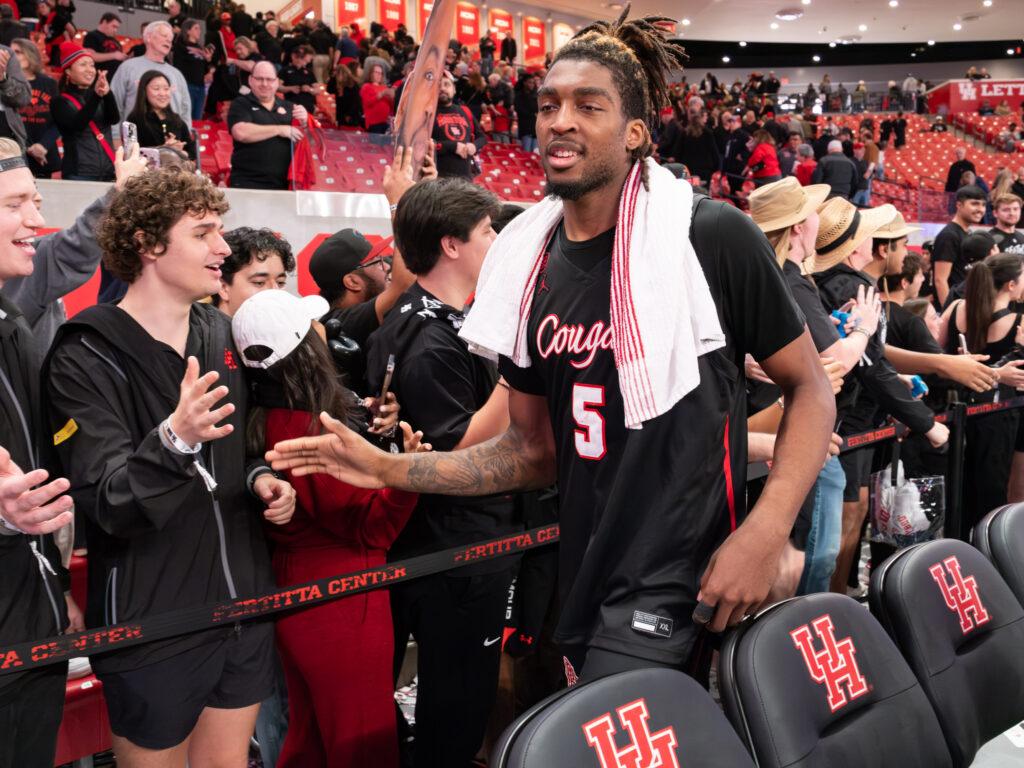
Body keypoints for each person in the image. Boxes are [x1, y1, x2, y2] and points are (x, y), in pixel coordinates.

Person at [268, 10, 835, 686]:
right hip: (587, 573)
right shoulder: (527, 263)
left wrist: (768, 532)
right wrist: (390, 470)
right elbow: (530, 451)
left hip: (695, 576)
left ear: (635, 134)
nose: (560, 120)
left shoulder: (709, 236)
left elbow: (811, 388)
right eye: (548, 105)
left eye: (587, 106)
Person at [46, 168, 296, 766]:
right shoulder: (85, 350)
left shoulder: (221, 331)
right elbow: (109, 501)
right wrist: (175, 439)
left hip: (242, 605)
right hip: (151, 624)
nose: (223, 248)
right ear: (147, 243)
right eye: (204, 232)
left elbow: (239, 449)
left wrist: (260, 475)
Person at [358, 177, 520, 768]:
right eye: (487, 230)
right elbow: (455, 459)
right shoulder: (430, 338)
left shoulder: (441, 320)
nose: (498, 240)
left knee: (457, 706)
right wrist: (517, 380)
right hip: (456, 550)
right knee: (454, 714)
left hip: (457, 546)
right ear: (451, 245)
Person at [234, 289, 421, 768]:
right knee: (361, 740)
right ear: (306, 351)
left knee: (313, 735)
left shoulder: (264, 419)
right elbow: (372, 528)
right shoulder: (309, 433)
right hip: (342, 594)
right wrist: (409, 476)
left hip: (298, 590)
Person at [810, 198, 949, 594]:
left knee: (849, 521)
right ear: (879, 248)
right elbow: (869, 366)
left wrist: (901, 379)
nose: (907, 257)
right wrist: (927, 423)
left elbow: (874, 362)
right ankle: (830, 605)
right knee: (841, 524)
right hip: (843, 420)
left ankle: (836, 599)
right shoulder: (848, 286)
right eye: (903, 247)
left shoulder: (854, 284)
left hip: (855, 415)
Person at [749, 177, 876, 595]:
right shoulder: (788, 278)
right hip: (783, 426)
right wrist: (863, 330)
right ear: (800, 225)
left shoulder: (758, 274)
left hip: (761, 427)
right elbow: (832, 363)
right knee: (798, 558)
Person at [0, 139, 77, 768]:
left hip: (33, 618)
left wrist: (57, 586)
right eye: (17, 204)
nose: (37, 219)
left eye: (36, 200)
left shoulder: (15, 327)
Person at [940, 252, 1024, 528]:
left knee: (959, 491)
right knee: (993, 496)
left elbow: (936, 359)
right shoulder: (1016, 322)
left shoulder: (954, 309)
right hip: (999, 418)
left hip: (952, 413)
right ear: (1010, 284)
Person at [228, 60, 307, 190]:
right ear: (250, 80)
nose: (264, 84)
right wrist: (280, 129)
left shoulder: (291, 108)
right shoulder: (240, 104)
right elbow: (240, 132)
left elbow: (310, 145)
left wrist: (304, 123)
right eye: (259, 79)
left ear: (277, 82)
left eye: (269, 79)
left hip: (284, 186)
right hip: (247, 183)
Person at [51, 43, 117, 182]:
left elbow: (114, 118)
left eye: (92, 65)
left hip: (108, 170)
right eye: (83, 65)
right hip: (79, 172)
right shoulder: (60, 101)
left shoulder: (98, 95)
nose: (90, 70)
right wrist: (97, 96)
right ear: (68, 71)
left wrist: (107, 93)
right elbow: (77, 125)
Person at [110, 21, 192, 130]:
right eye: (164, 36)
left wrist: (185, 139)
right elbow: (114, 105)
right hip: (135, 141)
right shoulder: (128, 67)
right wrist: (115, 137)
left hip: (171, 143)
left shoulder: (177, 74)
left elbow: (185, 112)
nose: (169, 40)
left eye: (171, 39)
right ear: (148, 37)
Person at [212, 227, 294, 317]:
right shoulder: (198, 329)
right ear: (223, 288)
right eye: (259, 283)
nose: (275, 292)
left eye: (280, 283)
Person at [933, 185, 987, 307]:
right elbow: (940, 280)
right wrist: (949, 312)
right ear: (959, 205)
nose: (980, 209)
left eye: (983, 205)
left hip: (966, 305)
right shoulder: (949, 235)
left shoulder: (968, 233)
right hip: (954, 309)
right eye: (974, 204)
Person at [11, 38, 57, 177]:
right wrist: (27, 148)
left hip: (44, 154)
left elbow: (58, 120)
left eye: (17, 52)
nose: (12, 56)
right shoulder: (6, 84)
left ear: (30, 55)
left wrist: (43, 145)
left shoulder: (49, 83)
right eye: (10, 52)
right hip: (15, 154)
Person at [127, 70, 195, 160]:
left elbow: (192, 152)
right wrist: (164, 149)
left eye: (166, 89)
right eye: (156, 89)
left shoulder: (176, 119)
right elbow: (131, 153)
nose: (162, 93)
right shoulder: (134, 119)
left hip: (176, 172)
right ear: (144, 91)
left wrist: (178, 151)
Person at [432, 70, 485, 180]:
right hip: (438, 179)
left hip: (465, 179)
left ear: (454, 90)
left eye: (447, 84)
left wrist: (474, 146)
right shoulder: (428, 113)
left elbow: (482, 138)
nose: (442, 88)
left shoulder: (465, 111)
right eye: (438, 85)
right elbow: (421, 145)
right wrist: (453, 146)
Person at [172, 19, 212, 122]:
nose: (199, 31)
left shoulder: (200, 48)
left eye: (199, 28)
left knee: (198, 118)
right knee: (186, 117)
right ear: (188, 31)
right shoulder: (180, 46)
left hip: (201, 87)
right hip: (188, 85)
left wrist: (208, 61)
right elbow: (177, 67)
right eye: (196, 28)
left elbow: (203, 67)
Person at [82, 11, 125, 80]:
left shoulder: (116, 42)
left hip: (114, 79)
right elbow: (90, 56)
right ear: (105, 22)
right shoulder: (92, 35)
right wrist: (114, 55)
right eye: (114, 26)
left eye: (117, 28)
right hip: (98, 78)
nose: (115, 30)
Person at [278, 43, 316, 113]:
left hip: (308, 106)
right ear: (292, 56)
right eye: (297, 57)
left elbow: (318, 90)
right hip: (291, 106)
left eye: (301, 58)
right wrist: (290, 89)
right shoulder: (285, 70)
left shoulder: (309, 72)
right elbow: (277, 87)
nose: (298, 60)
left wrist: (309, 89)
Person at [360, 61, 393, 135]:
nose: (379, 75)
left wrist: (392, 96)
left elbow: (391, 105)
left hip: (386, 122)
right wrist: (381, 94)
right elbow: (367, 102)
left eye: (380, 73)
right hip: (374, 123)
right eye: (376, 72)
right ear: (371, 73)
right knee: (375, 145)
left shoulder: (385, 87)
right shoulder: (366, 86)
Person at [515, 71, 538, 153]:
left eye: (533, 83)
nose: (531, 85)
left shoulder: (536, 96)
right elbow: (520, 110)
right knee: (526, 153)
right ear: (524, 83)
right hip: (525, 128)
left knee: (535, 153)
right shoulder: (519, 96)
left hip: (535, 129)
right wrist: (533, 114)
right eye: (529, 83)